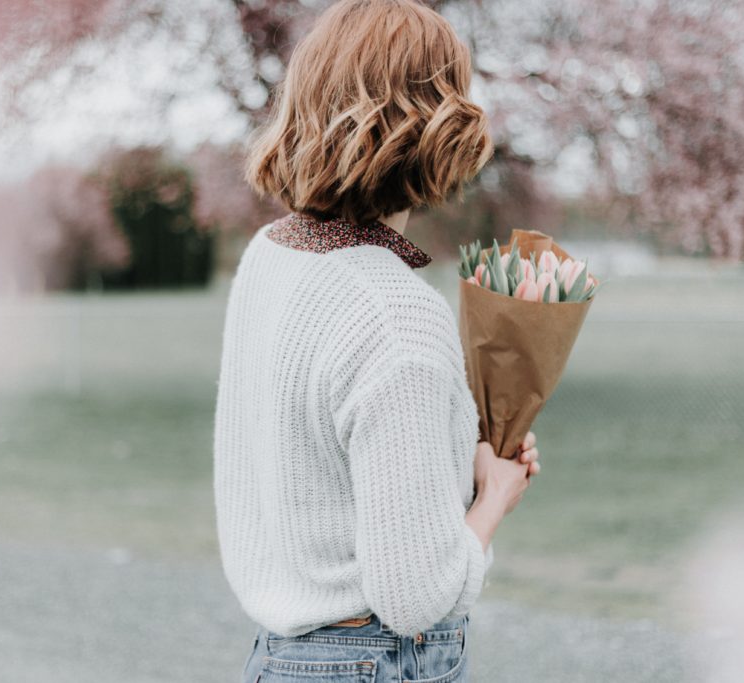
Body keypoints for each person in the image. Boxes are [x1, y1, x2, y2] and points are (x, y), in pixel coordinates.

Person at [213, 1, 540, 680]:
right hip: (370, 662)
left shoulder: (269, 256)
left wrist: (456, 452)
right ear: (438, 126)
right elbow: (415, 596)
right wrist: (493, 499)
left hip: (278, 658)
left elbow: (322, 462)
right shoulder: (394, 311)